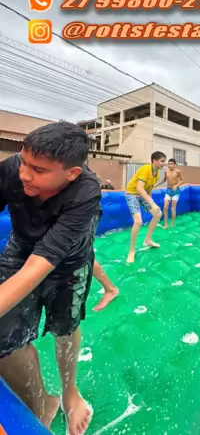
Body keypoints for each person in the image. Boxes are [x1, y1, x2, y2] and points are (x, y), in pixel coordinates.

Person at [0, 121, 117, 435]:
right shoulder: (12, 169)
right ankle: (42, 402)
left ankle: (69, 392)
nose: (24, 174)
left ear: (71, 173)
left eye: (38, 170)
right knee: (2, 336)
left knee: (65, 327)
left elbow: (37, 268)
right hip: (21, 246)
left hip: (68, 262)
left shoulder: (86, 191)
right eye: (24, 162)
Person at [125, 151, 166, 263]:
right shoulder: (145, 169)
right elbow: (139, 188)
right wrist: (151, 203)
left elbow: (149, 189)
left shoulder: (157, 174)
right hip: (132, 194)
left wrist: (150, 204)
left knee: (158, 214)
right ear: (154, 161)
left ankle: (147, 240)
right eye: (162, 161)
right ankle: (131, 251)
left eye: (164, 161)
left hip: (143, 195)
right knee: (138, 221)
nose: (164, 163)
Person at [158, 158, 184, 228]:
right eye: (168, 164)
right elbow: (164, 180)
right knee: (165, 207)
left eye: (171, 164)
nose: (169, 165)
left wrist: (176, 185)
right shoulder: (166, 171)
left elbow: (182, 180)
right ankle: (166, 224)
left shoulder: (177, 172)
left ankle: (172, 224)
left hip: (176, 191)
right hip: (168, 191)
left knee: (173, 208)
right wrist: (156, 185)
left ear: (174, 165)